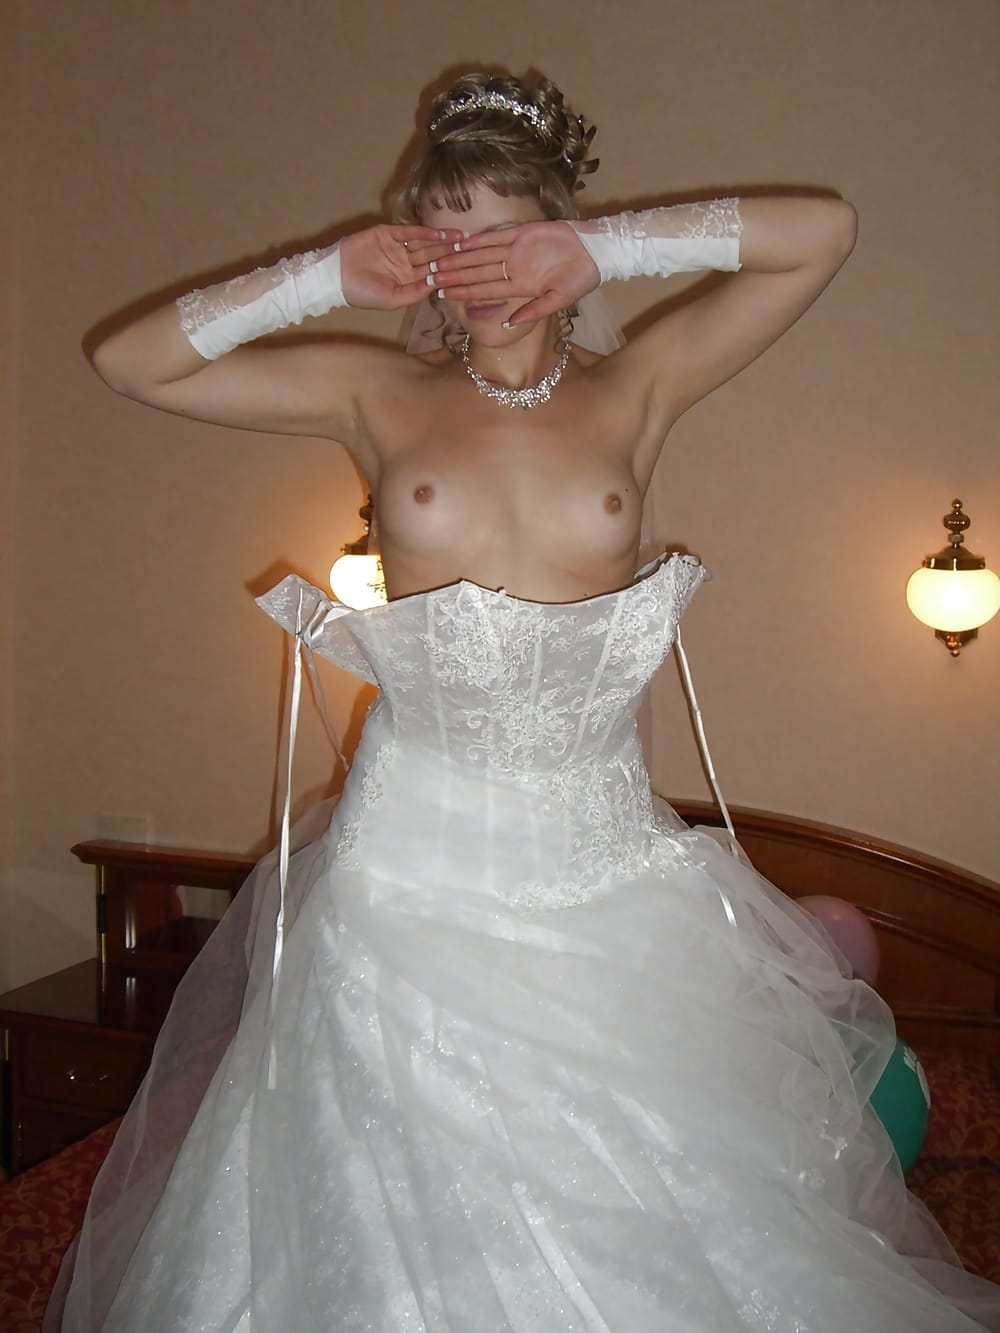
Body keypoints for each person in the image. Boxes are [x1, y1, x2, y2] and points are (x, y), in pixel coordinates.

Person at [47, 70, 1000, 1332]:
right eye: (449, 240)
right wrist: (324, 275)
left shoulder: (636, 386)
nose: (478, 270)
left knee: (648, 1200)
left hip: (603, 869)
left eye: (506, 234)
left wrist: (607, 247)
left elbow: (821, 230)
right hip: (408, 868)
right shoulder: (374, 394)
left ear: (556, 235)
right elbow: (131, 362)